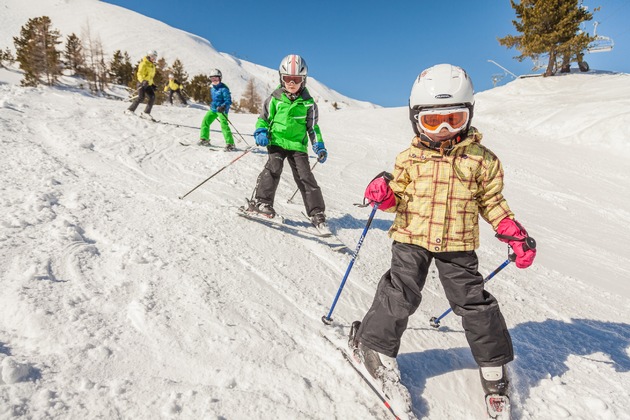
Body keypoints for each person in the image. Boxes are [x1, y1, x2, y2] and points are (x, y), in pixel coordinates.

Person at [353, 64, 537, 399]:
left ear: (469, 114)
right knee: (400, 293)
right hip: (411, 236)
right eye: (433, 121)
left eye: (454, 119)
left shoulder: (483, 160)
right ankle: (376, 346)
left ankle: (493, 362)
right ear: (416, 118)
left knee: (473, 301)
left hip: (458, 243)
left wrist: (510, 229)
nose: (444, 130)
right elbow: (398, 198)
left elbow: (491, 200)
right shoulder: (408, 158)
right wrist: (386, 196)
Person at [247, 54, 329, 230]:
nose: (291, 83)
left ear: (303, 80)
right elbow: (263, 119)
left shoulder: (309, 104)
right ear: (281, 78)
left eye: (296, 79)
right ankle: (262, 202)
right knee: (273, 168)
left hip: (297, 145)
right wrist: (261, 131)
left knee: (305, 176)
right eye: (287, 78)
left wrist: (319, 145)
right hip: (276, 141)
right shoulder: (274, 99)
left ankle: (317, 213)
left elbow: (313, 127)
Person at [199, 69, 235, 151]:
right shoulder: (212, 88)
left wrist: (223, 106)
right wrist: (212, 104)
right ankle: (204, 139)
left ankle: (230, 144)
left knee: (224, 125)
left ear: (220, 78)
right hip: (214, 109)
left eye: (216, 79)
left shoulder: (224, 88)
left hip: (222, 110)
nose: (214, 81)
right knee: (205, 121)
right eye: (212, 79)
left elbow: (228, 100)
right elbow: (214, 99)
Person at [126, 50, 158, 120]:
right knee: (141, 98)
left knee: (152, 97)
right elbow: (139, 74)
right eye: (152, 56)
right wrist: (142, 81)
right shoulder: (143, 63)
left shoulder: (152, 65)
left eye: (155, 57)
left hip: (148, 84)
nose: (154, 58)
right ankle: (129, 110)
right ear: (149, 56)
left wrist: (152, 85)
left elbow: (150, 77)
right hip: (142, 83)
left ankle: (146, 113)